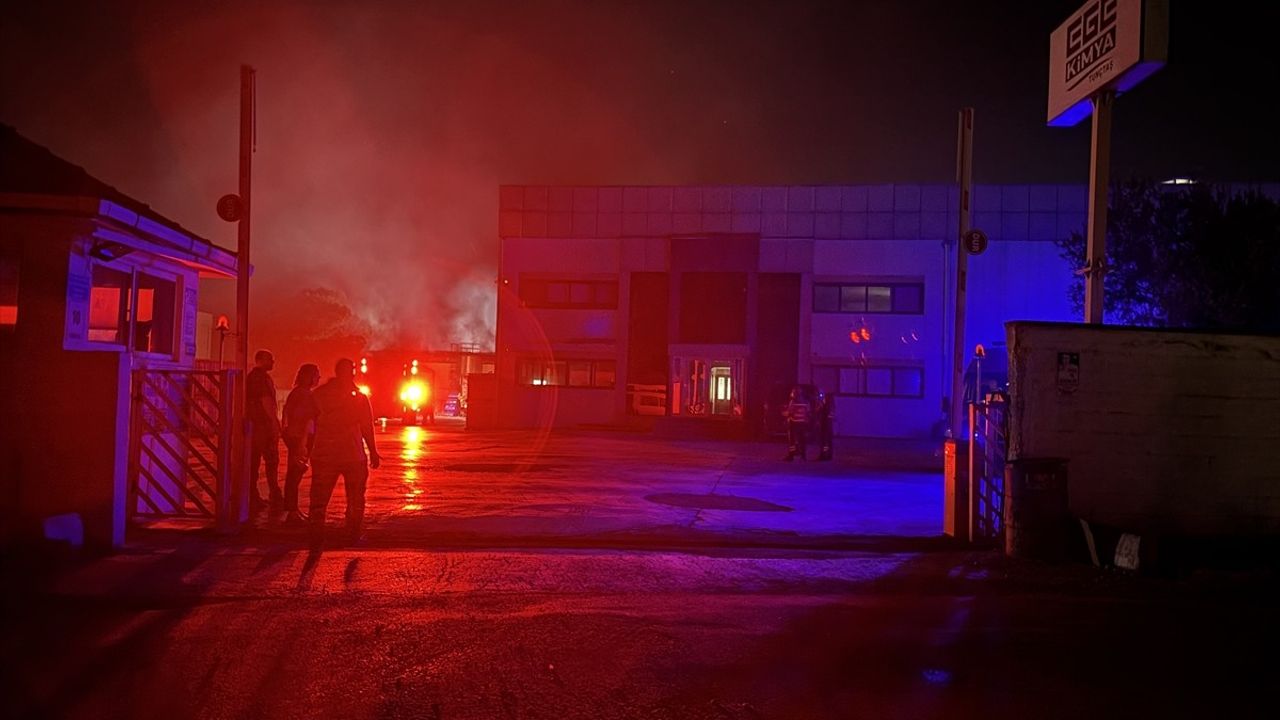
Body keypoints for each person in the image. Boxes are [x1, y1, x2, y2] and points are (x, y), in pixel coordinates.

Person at [309, 358, 382, 548]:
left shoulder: (319, 394)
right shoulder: (358, 397)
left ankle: (315, 535)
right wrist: (373, 451)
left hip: (324, 454)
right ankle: (352, 534)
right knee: (356, 498)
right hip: (352, 455)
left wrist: (306, 449)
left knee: (319, 499)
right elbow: (366, 426)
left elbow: (308, 424)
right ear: (351, 372)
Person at [281, 363, 321, 523]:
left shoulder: (297, 393)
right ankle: (291, 512)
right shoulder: (304, 395)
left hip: (296, 438)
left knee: (294, 474)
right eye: (316, 374)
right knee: (294, 475)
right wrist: (303, 444)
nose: (318, 378)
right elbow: (304, 420)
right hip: (300, 439)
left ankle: (293, 509)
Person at [246, 349, 282, 510]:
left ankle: (255, 496)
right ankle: (272, 495)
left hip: (257, 424)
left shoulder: (255, 377)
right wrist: (274, 422)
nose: (273, 362)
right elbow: (266, 400)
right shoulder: (260, 378)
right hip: (262, 426)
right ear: (260, 360)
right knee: (269, 460)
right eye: (270, 359)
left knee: (255, 462)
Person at [783, 384, 812, 461]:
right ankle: (803, 456)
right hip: (802, 423)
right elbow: (808, 412)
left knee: (792, 440)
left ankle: (791, 456)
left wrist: (785, 413)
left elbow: (790, 412)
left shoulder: (793, 401)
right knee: (802, 440)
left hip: (794, 422)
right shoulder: (806, 401)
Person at [814, 387, 835, 461]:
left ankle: (824, 455)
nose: (819, 396)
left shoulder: (826, 403)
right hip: (826, 424)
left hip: (826, 425)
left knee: (825, 441)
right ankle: (828, 455)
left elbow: (823, 413)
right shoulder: (828, 403)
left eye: (820, 394)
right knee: (827, 441)